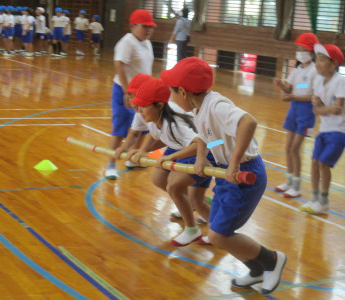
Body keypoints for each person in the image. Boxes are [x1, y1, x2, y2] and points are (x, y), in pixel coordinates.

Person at [161, 57, 287, 295]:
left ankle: (272, 260)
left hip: (244, 174)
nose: (171, 99)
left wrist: (235, 162)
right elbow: (214, 138)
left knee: (218, 235)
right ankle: (256, 269)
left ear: (183, 92)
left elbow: (248, 123)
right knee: (218, 231)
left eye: (172, 93)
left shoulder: (216, 105)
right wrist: (201, 156)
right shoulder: (200, 110)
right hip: (225, 176)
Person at [127, 78, 214, 246]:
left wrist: (171, 157)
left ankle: (192, 229)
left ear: (159, 105)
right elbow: (157, 136)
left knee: (174, 186)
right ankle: (196, 210)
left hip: (205, 151)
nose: (139, 110)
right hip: (185, 147)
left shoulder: (174, 124)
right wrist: (144, 150)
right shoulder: (154, 119)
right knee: (160, 180)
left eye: (143, 106)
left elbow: (198, 144)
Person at [105, 9, 156, 179]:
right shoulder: (127, 42)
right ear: (133, 25)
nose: (148, 30)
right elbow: (119, 64)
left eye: (151, 27)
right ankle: (111, 164)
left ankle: (132, 159)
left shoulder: (146, 43)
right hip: (124, 90)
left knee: (142, 127)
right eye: (145, 26)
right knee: (120, 128)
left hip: (142, 93)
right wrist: (127, 91)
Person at [300, 44, 345, 214]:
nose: (318, 62)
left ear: (334, 63)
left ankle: (324, 201)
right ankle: (315, 198)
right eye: (317, 58)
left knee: (323, 162)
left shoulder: (340, 81)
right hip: (324, 129)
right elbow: (316, 110)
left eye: (322, 59)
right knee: (313, 162)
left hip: (339, 131)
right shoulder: (319, 82)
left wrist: (322, 108)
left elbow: (337, 109)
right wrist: (324, 108)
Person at [273, 33, 319, 198]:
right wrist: (281, 86)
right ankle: (289, 181)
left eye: (303, 49)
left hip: (306, 112)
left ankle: (297, 186)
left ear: (312, 52)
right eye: (298, 48)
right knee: (287, 148)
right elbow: (290, 89)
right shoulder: (298, 69)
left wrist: (292, 96)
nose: (299, 52)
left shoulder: (315, 71)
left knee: (294, 148)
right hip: (293, 110)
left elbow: (313, 95)